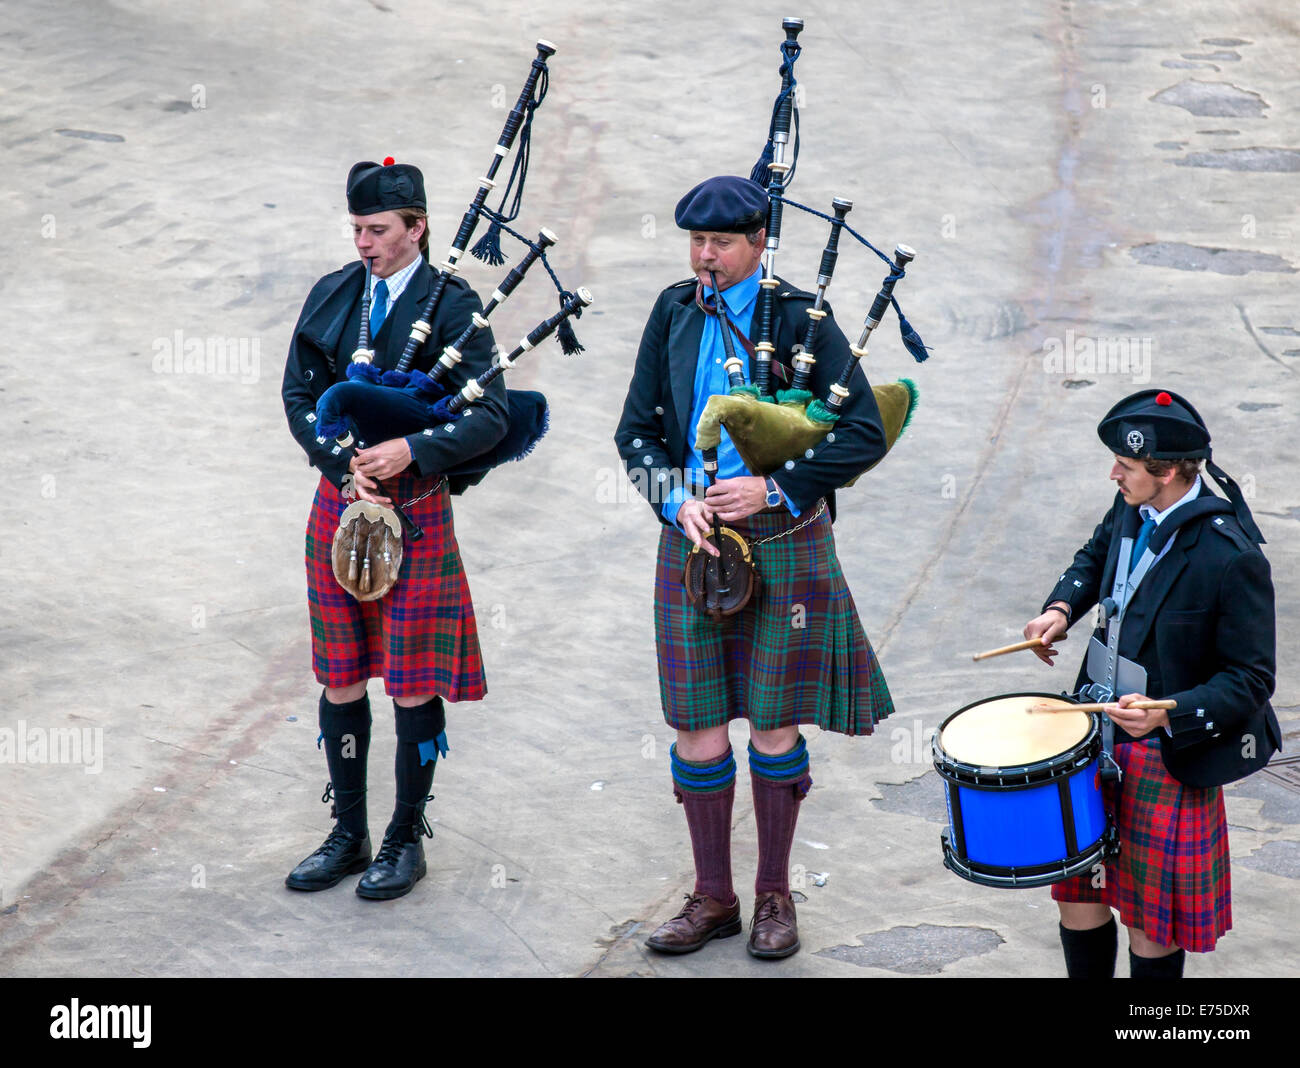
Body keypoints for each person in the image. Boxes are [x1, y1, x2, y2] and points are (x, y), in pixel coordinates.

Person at [614, 175, 895, 959]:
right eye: (697, 244)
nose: (706, 257)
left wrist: (775, 484)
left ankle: (776, 895)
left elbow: (864, 432)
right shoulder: (673, 312)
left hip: (783, 539)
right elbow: (635, 432)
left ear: (759, 241)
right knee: (697, 730)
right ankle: (713, 898)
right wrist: (676, 500)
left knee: (773, 727)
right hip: (696, 543)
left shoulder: (804, 319)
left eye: (723, 244)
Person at [280, 158, 507, 900]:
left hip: (415, 512)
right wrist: (342, 462)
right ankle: (349, 833)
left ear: (418, 228)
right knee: (341, 675)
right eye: (356, 229)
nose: (364, 244)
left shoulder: (455, 306)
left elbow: (492, 417)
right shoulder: (334, 295)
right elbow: (300, 394)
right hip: (340, 504)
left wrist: (412, 448)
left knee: (411, 683)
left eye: (378, 230)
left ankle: (405, 838)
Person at [1023, 389, 1278, 978]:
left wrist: (1170, 712)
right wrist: (1061, 608)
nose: (1114, 473)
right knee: (1080, 896)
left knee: (1150, 923)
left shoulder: (1230, 556)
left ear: (1165, 473)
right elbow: (1093, 557)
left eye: (1126, 466)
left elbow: (1251, 680)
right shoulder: (1130, 508)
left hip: (1164, 752)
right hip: (1092, 731)